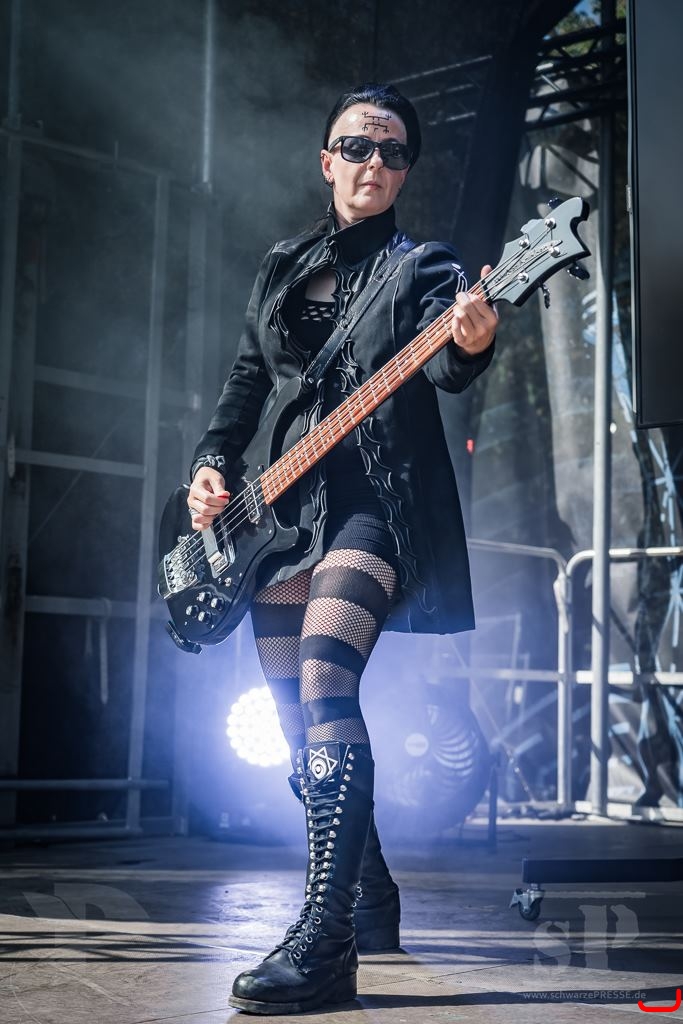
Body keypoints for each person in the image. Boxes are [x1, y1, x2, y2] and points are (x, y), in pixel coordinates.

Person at [187, 83, 498, 1015]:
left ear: (404, 172)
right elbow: (247, 382)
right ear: (327, 161)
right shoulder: (283, 265)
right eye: (357, 146)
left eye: (393, 151)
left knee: (325, 679)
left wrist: (470, 341)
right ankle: (370, 895)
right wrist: (210, 465)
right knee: (293, 721)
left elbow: (446, 364)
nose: (374, 163)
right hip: (280, 516)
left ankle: (323, 943)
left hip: (375, 506)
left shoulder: (424, 267)